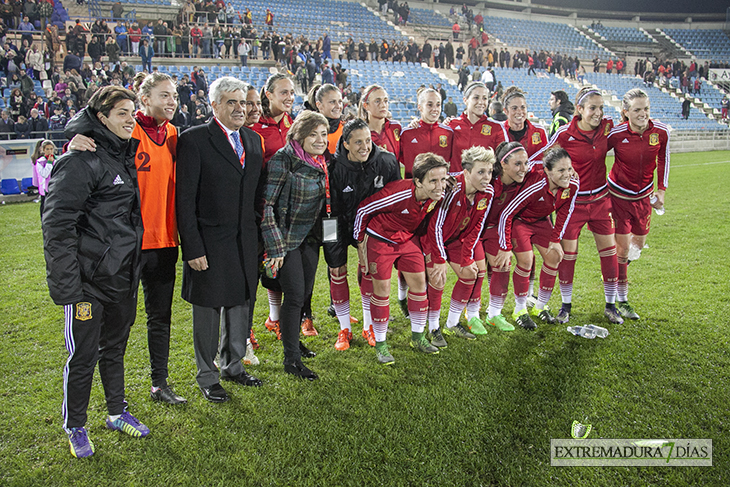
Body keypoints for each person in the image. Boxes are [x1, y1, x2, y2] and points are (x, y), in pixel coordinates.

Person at [68, 73, 188, 404]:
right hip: (126, 244)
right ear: (143, 100)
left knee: (160, 316)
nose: (171, 101)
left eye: (174, 95)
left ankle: (159, 383)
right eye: (164, 95)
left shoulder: (175, 134)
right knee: (119, 324)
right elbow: (87, 124)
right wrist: (72, 139)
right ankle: (111, 400)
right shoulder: (124, 131)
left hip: (164, 241)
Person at [42, 86, 149, 459]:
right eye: (122, 112)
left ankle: (116, 412)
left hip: (122, 275)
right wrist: (69, 287)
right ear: (101, 118)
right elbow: (57, 225)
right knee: (83, 356)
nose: (130, 118)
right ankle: (75, 426)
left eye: (132, 112)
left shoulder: (122, 155)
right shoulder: (79, 159)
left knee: (115, 349)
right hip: (88, 283)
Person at [176, 77, 265, 402]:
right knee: (209, 309)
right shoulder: (195, 140)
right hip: (209, 242)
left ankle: (233, 366)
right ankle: (207, 375)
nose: (240, 108)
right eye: (231, 102)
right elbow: (184, 200)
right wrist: (193, 248)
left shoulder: (253, 141)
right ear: (214, 106)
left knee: (241, 304)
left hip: (244, 241)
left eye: (242, 102)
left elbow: (256, 196)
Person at [531, 87, 622, 325]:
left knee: (609, 253)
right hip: (573, 204)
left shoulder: (607, 127)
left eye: (601, 108)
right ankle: (566, 306)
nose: (598, 112)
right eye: (593, 108)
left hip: (601, 201)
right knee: (568, 256)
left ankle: (611, 306)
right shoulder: (564, 133)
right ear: (580, 110)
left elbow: (629, 130)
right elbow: (542, 156)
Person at [354, 153, 448, 364]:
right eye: (433, 181)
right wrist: (360, 242)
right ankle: (380, 343)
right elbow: (363, 210)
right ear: (418, 182)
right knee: (382, 290)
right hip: (381, 238)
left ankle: (418, 337)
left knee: (420, 284)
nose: (440, 186)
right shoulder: (397, 193)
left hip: (406, 238)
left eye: (443, 179)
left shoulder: (438, 195)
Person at [260, 111, 331, 380]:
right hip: (286, 238)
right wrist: (275, 247)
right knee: (294, 295)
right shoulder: (283, 159)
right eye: (313, 134)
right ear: (299, 136)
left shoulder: (321, 161)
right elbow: (266, 205)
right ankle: (291, 359)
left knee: (305, 294)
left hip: (311, 238)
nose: (320, 139)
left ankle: (293, 342)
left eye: (323, 134)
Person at [327, 118, 401, 351]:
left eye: (368, 141)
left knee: (368, 268)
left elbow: (394, 201)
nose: (365, 147)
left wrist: (374, 233)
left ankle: (368, 325)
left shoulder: (387, 162)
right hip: (336, 223)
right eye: (358, 142)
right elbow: (328, 210)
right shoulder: (332, 167)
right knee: (336, 270)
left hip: (373, 226)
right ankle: (344, 327)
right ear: (346, 144)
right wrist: (330, 240)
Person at [496, 145, 579, 328]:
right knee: (526, 260)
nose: (567, 174)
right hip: (520, 221)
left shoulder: (573, 184)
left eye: (569, 169)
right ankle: (520, 309)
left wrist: (556, 239)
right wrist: (505, 246)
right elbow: (507, 214)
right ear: (547, 171)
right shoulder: (536, 184)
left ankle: (540, 307)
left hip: (541, 221)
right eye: (561, 170)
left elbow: (566, 212)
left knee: (555, 255)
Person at [420, 146, 495, 344]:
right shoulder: (451, 189)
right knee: (438, 277)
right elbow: (434, 226)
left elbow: (476, 227)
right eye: (481, 172)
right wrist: (439, 259)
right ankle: (433, 327)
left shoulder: (488, 192)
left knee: (470, 272)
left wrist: (466, 255)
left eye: (489, 171)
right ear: (466, 172)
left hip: (456, 240)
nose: (487, 177)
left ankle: (452, 324)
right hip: (431, 238)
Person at [607, 88, 670, 320]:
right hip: (618, 198)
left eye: (646, 109)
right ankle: (620, 299)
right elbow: (595, 154)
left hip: (643, 199)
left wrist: (661, 190)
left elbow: (663, 159)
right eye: (637, 110)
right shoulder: (616, 133)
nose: (643, 114)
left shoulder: (661, 132)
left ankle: (614, 269)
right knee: (623, 249)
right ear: (626, 112)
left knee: (638, 245)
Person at [250, 74, 295, 339]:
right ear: (268, 94)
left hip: (285, 209)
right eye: (283, 92)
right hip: (258, 206)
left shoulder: (294, 123)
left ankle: (274, 318)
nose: (289, 97)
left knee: (278, 264)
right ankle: (245, 330)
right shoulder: (255, 125)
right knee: (253, 267)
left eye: (291, 92)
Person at [448, 81, 507, 170]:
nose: (481, 102)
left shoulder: (497, 128)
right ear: (465, 100)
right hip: (455, 182)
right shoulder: (451, 125)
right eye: (476, 98)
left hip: (484, 182)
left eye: (484, 98)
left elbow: (503, 162)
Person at [399, 88, 453, 176]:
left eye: (438, 105)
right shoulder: (407, 134)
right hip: (414, 187)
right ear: (419, 107)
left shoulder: (449, 133)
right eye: (430, 105)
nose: (435, 109)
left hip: (440, 187)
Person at [501, 86, 547, 158]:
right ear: (505, 111)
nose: (519, 112)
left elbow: (546, 160)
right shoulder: (499, 131)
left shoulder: (539, 131)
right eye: (514, 108)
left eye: (523, 107)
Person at [358, 84, 401, 157]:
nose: (383, 105)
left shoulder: (396, 127)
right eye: (377, 101)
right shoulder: (359, 132)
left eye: (386, 101)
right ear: (366, 106)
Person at [31, 139, 55, 215]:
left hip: (55, 186)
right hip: (45, 186)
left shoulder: (57, 159)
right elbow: (44, 174)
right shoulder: (40, 161)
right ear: (43, 149)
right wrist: (49, 163)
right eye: (47, 149)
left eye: (51, 149)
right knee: (45, 206)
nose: (50, 151)